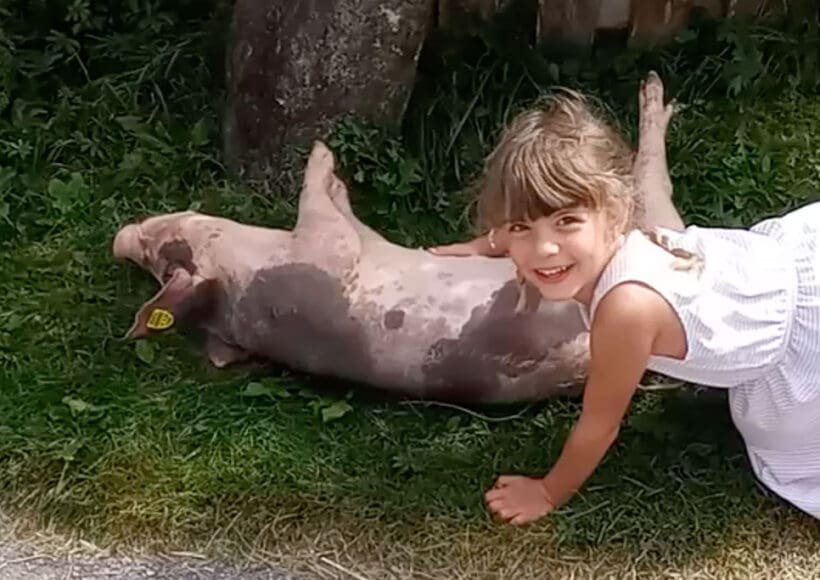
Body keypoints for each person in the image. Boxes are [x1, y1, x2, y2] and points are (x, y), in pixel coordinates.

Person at [428, 75, 820, 526]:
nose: (543, 250)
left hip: (802, 337)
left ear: (614, 215)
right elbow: (639, 199)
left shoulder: (625, 309)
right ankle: (649, 139)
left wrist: (548, 492)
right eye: (521, 228)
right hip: (770, 268)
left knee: (793, 461)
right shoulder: (623, 232)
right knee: (653, 204)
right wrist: (487, 244)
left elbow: (600, 423)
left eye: (566, 222)